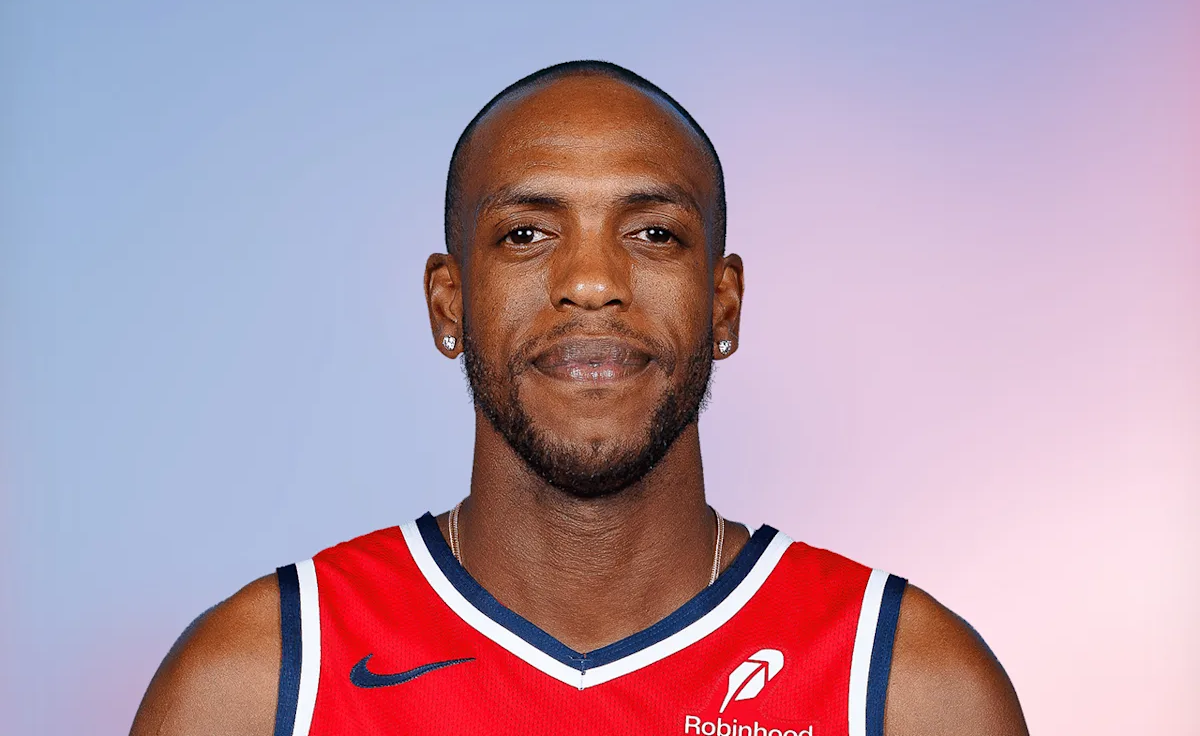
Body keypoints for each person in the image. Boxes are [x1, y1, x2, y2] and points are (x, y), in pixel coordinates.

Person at [131, 61, 1028, 736]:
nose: (592, 282)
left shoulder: (906, 688)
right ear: (448, 303)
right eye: (526, 233)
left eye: (653, 233)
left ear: (724, 304)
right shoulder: (261, 684)